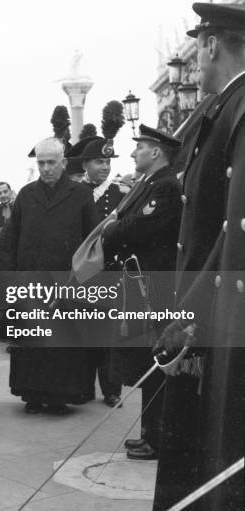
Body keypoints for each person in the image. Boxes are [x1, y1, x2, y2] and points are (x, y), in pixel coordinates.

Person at [152, 2, 245, 510]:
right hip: (210, 311)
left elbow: (234, 233)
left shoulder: (239, 107)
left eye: (200, 49)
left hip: (222, 318)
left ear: (210, 45)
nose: (198, 64)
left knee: (217, 452)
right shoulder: (222, 107)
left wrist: (187, 321)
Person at [0, 138, 98, 415]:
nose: (45, 168)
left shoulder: (80, 194)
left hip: (66, 281)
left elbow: (92, 240)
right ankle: (31, 394)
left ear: (63, 163)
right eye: (40, 163)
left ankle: (59, 397)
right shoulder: (27, 194)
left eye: (51, 162)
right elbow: (10, 240)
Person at [102, 124, 182, 460]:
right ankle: (149, 432)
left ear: (157, 152)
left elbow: (142, 227)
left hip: (155, 287)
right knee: (148, 360)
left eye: (140, 147)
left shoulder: (164, 186)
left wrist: (113, 228)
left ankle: (158, 438)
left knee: (157, 361)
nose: (134, 153)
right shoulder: (149, 184)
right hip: (141, 284)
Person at [67, 135, 126, 407]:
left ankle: (111, 390)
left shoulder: (121, 195)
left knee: (108, 334)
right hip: (83, 273)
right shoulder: (76, 193)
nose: (105, 167)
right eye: (99, 161)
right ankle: (82, 386)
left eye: (108, 161)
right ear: (86, 164)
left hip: (110, 272)